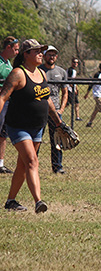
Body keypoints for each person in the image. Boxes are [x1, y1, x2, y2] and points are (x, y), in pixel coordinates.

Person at [1, 39, 64, 213]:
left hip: (37, 126)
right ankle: (38, 201)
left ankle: (10, 201)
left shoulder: (41, 74)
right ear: (25, 54)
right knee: (32, 161)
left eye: (41, 51)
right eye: (36, 51)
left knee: (23, 164)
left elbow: (47, 99)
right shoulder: (18, 74)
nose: (40, 54)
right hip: (18, 126)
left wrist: (58, 121)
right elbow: (2, 97)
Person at [39, 46, 69, 174]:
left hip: (55, 111)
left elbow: (65, 92)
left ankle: (57, 167)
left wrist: (61, 109)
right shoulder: (38, 70)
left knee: (57, 140)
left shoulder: (61, 72)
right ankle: (30, 164)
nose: (51, 57)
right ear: (44, 56)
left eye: (54, 55)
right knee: (36, 139)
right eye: (49, 54)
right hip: (39, 110)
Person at [0, 36, 20, 174]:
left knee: (2, 134)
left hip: (8, 102)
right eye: (16, 49)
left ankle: (0, 164)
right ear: (8, 47)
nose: (17, 52)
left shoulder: (8, 64)